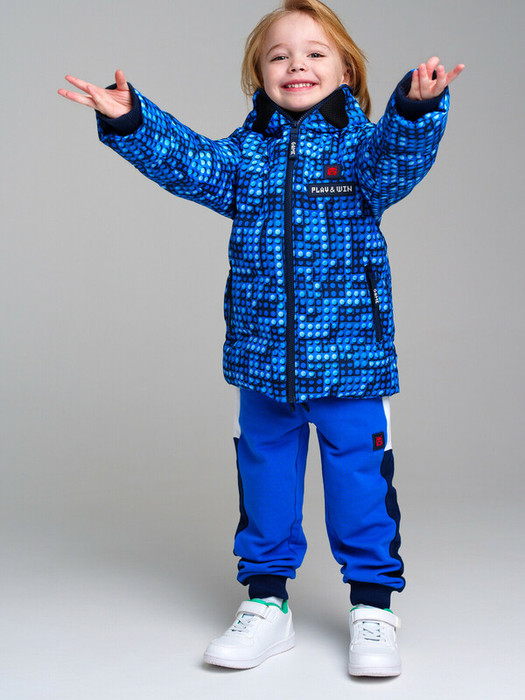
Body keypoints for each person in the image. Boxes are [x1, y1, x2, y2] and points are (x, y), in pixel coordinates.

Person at [58, 0, 463, 678]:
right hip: (262, 363)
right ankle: (267, 603)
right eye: (279, 55)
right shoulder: (246, 156)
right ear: (259, 75)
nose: (296, 64)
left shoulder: (362, 153)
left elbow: (397, 158)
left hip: (352, 365)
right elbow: (189, 162)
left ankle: (373, 608)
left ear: (346, 71)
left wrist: (415, 109)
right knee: (265, 483)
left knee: (360, 486)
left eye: (314, 53)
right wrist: (132, 119)